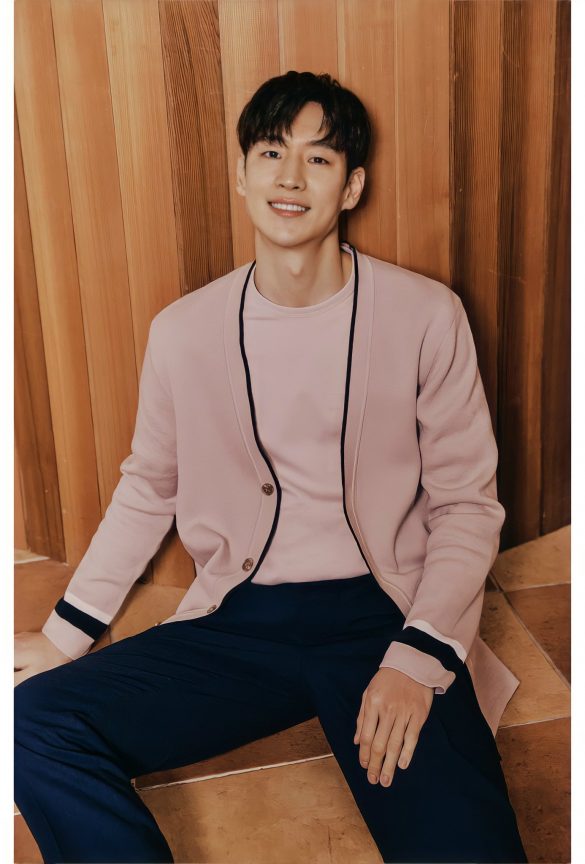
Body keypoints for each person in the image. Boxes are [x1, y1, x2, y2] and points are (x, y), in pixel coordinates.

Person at [14, 71, 528, 864]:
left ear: (351, 186)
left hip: (382, 616)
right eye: (270, 152)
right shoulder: (184, 331)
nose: (290, 177)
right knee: (30, 722)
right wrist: (65, 635)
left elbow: (466, 504)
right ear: (242, 174)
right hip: (239, 620)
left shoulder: (426, 315)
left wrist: (419, 654)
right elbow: (149, 487)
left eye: (317, 159)